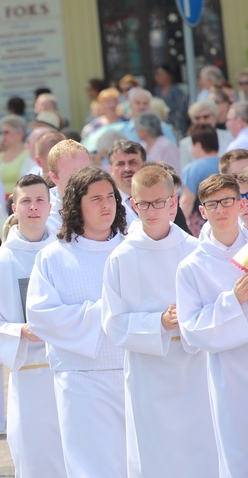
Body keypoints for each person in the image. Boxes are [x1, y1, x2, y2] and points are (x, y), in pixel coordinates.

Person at [102, 166, 218, 477]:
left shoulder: (195, 250)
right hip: (148, 370)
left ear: (173, 202)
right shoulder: (121, 257)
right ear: (132, 204)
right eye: (144, 204)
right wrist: (159, 322)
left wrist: (193, 319)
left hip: (195, 366)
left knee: (201, 445)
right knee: (156, 450)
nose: (151, 211)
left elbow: (212, 307)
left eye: (159, 202)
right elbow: (113, 322)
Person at [26, 167, 127, 477]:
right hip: (80, 379)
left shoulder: (132, 251)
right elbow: (41, 317)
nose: (106, 204)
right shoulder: (54, 257)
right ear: (75, 205)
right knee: (92, 466)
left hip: (133, 373)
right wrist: (106, 312)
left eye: (110, 196)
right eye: (96, 198)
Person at [0, 174, 65, 477]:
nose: (34, 207)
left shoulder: (66, 253)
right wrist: (20, 331)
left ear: (51, 206)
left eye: (40, 200)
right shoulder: (0, 261)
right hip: (30, 373)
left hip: (71, 369)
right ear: (14, 205)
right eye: (26, 201)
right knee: (35, 453)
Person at [176, 173, 248, 475]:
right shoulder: (192, 266)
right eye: (212, 204)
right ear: (201, 211)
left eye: (228, 201)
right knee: (237, 450)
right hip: (228, 371)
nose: (221, 210)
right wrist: (232, 301)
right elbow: (191, 329)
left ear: (240, 204)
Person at [180, 125, 221, 236]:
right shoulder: (226, 165)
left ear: (198, 145)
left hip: (201, 226)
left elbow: (186, 202)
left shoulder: (193, 169)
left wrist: (178, 225)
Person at [45, 139, 92, 233]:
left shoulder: (105, 203)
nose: (82, 180)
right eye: (73, 176)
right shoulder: (44, 216)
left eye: (86, 172)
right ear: (54, 177)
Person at [108, 139, 146, 227]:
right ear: (111, 170)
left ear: (145, 165)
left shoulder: (161, 197)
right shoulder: (106, 204)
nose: (127, 169)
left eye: (133, 162)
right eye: (120, 164)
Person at [0, 116, 35, 193]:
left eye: (6, 132)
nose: (2, 136)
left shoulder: (29, 155)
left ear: (20, 134)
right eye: (1, 133)